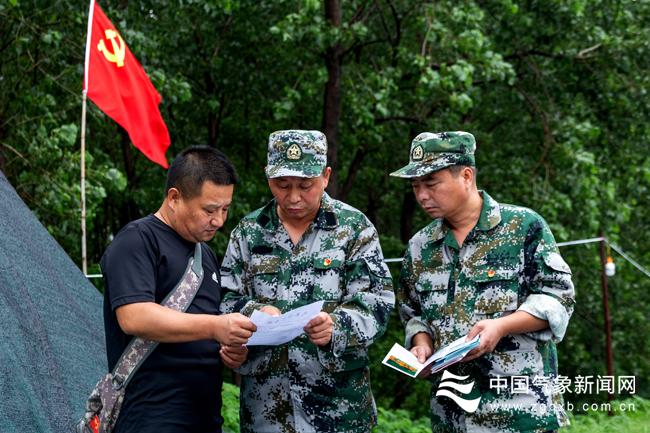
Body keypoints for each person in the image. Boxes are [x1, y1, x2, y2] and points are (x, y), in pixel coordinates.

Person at [391, 131, 575, 432]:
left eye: (431, 184)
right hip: (452, 415)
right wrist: (420, 345)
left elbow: (558, 298)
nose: (422, 195)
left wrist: (501, 326)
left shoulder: (523, 227)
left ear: (466, 176)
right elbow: (414, 312)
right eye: (415, 186)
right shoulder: (420, 246)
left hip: (521, 411)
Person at [219, 130, 395, 433]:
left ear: (325, 176)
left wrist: (335, 326)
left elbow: (377, 301)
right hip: (268, 410)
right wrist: (251, 318)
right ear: (267, 177)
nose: (294, 197)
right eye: (282, 185)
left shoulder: (354, 229)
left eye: (306, 185)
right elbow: (225, 298)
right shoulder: (248, 232)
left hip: (339, 409)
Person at [100, 146, 257, 433]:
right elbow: (135, 317)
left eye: (225, 209)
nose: (219, 220)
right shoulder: (138, 240)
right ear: (174, 198)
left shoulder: (205, 255)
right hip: (151, 416)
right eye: (209, 210)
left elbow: (208, 326)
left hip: (205, 416)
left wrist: (231, 348)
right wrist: (215, 327)